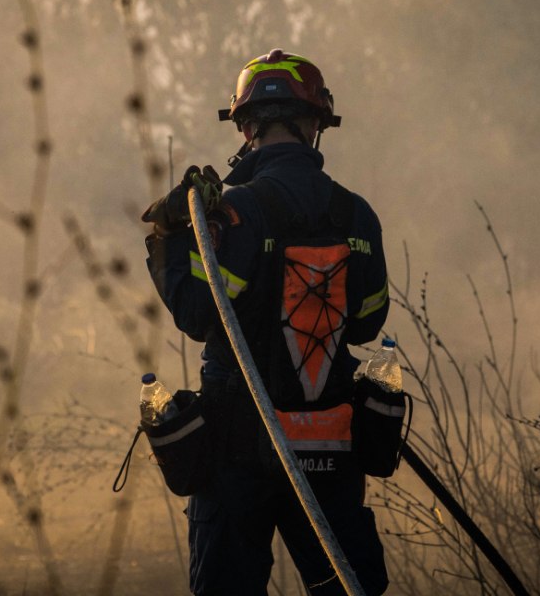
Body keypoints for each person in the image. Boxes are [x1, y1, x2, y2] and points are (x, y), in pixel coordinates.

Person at [142, 49, 390, 595]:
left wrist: (170, 239)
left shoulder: (236, 213)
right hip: (330, 450)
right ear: (314, 124)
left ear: (247, 126)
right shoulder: (358, 215)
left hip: (236, 454)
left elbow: (201, 315)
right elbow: (369, 323)